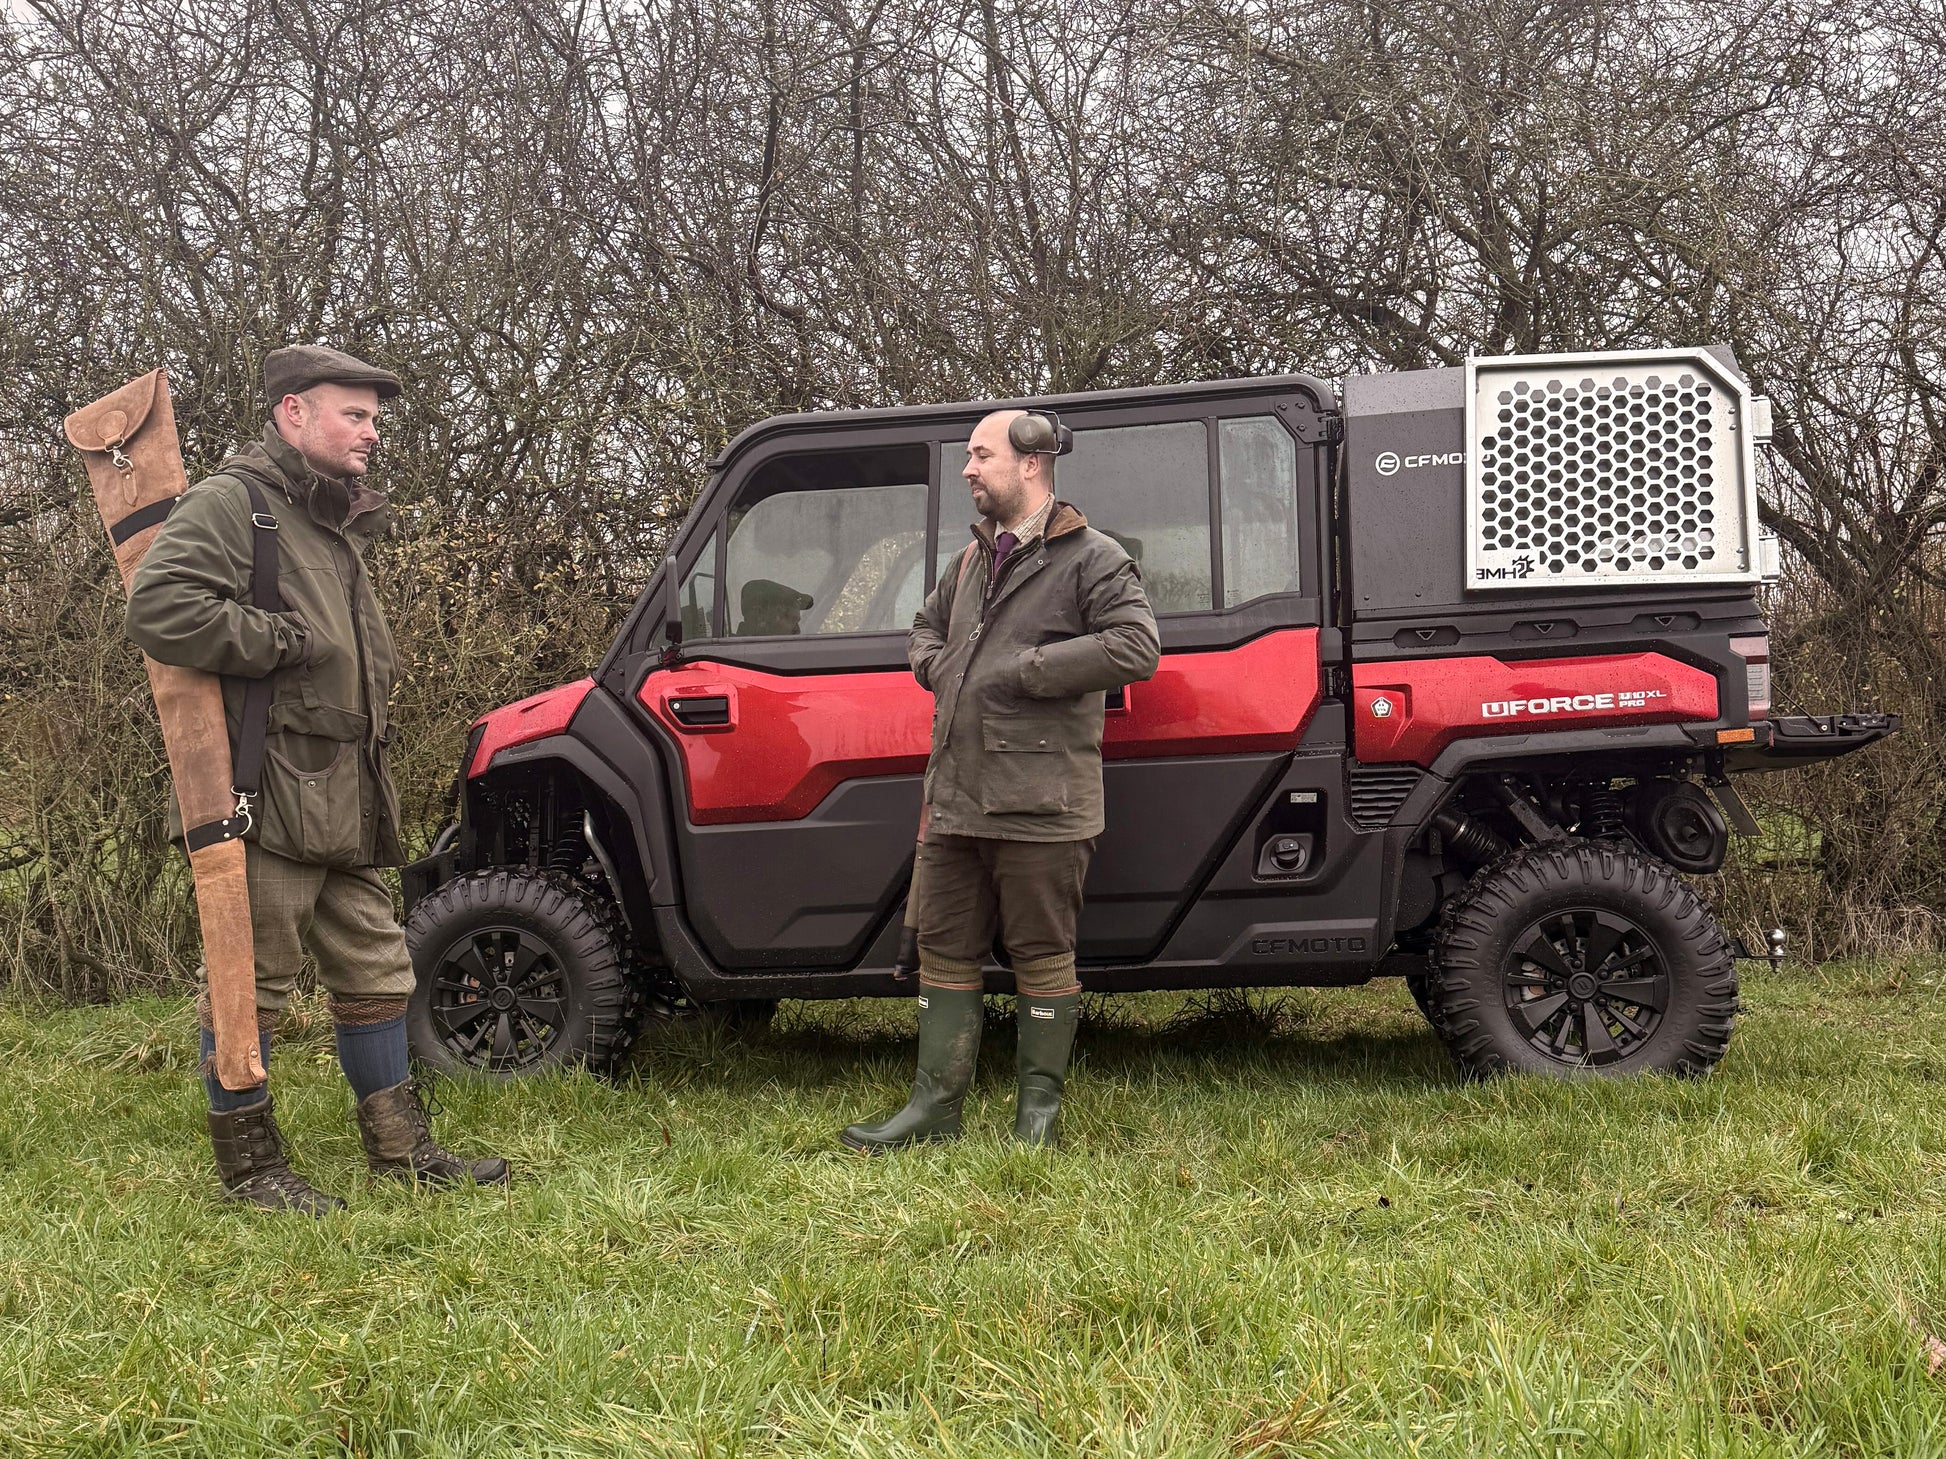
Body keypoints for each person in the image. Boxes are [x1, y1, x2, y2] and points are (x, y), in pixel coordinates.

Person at [126, 344, 507, 1214]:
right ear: (294, 413)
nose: (372, 432)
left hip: (351, 787)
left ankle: (402, 1151)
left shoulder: (329, 519)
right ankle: (253, 1169)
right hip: (270, 788)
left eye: (375, 418)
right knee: (247, 978)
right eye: (355, 414)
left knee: (377, 968)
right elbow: (156, 608)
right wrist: (281, 641)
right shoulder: (237, 504)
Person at [841, 408, 1160, 1152]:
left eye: (980, 455)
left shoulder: (1093, 558)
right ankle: (934, 1108)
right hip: (955, 798)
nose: (967, 470)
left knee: (1042, 952)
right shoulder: (971, 559)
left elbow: (1137, 646)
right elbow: (923, 628)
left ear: (1031, 463)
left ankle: (1037, 1120)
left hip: (1043, 805)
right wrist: (940, 664)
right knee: (945, 950)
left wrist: (1031, 669)